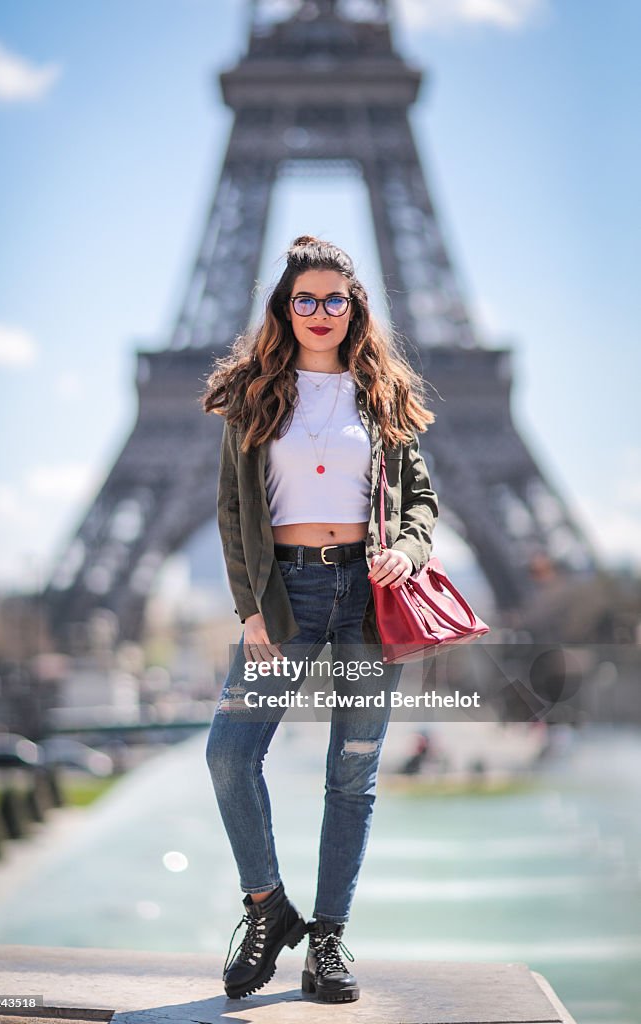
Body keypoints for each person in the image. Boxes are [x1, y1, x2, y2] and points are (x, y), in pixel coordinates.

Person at [201, 235, 438, 1003]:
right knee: (231, 755)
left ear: (354, 308)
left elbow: (420, 504)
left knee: (351, 775)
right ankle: (268, 909)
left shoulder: (383, 394)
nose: (320, 312)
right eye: (305, 299)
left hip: (367, 602)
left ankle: (327, 941)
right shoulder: (253, 396)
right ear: (284, 307)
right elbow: (233, 513)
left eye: (335, 299)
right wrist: (249, 608)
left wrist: (406, 547)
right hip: (285, 597)